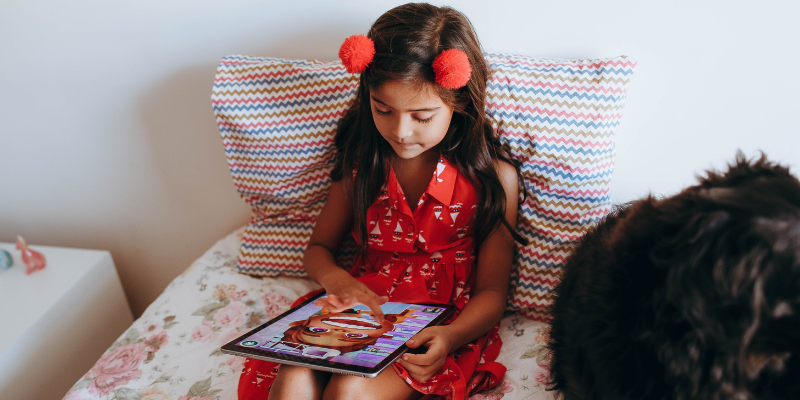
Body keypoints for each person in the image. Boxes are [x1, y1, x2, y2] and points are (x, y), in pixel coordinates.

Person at [238, 3, 527, 399]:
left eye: (422, 116)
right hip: (356, 310)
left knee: (349, 390)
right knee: (292, 381)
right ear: (368, 97)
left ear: (457, 102)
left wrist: (449, 337)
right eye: (383, 110)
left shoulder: (492, 179)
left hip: (436, 323)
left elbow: (492, 293)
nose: (401, 131)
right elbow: (319, 248)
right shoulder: (361, 164)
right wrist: (335, 279)